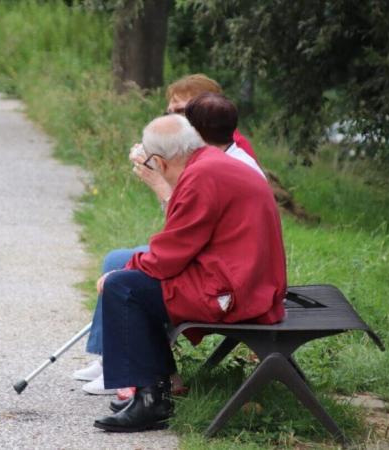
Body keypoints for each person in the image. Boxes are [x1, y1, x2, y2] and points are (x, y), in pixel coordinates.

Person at [93, 114, 286, 432]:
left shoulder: (200, 177)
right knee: (135, 284)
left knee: (123, 287)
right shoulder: (211, 163)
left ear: (159, 162)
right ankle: (154, 391)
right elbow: (181, 247)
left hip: (236, 293)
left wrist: (120, 272)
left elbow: (170, 254)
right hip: (251, 283)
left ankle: (151, 402)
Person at [74, 74, 261, 395]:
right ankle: (115, 359)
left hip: (230, 277)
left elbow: (183, 230)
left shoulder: (217, 165)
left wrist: (160, 181)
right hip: (224, 262)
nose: (174, 118)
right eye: (171, 110)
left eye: (181, 111)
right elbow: (187, 229)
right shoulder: (212, 157)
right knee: (119, 263)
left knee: (124, 279)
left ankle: (147, 380)